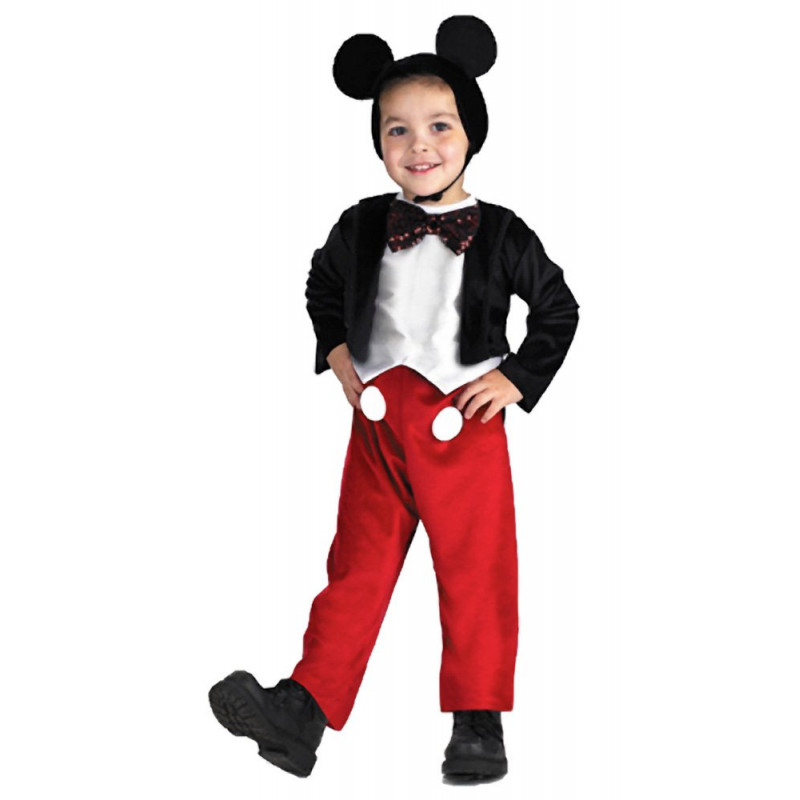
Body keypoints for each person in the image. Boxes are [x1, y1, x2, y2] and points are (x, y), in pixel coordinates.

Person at [209, 15, 580, 783]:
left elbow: (558, 309)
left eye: (440, 125)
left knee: (476, 571)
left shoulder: (503, 233)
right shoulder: (362, 225)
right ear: (378, 141)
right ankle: (302, 712)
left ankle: (478, 723)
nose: (419, 145)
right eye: (397, 129)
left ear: (472, 132)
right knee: (356, 565)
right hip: (378, 426)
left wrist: (516, 378)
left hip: (463, 422)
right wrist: (336, 350)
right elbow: (321, 286)